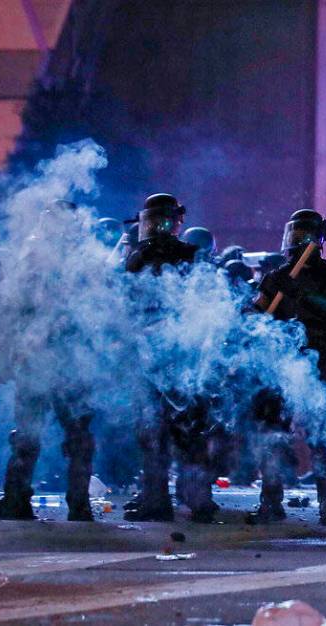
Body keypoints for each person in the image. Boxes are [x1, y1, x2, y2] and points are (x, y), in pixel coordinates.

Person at [0, 200, 101, 522]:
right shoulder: (69, 260)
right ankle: (74, 505)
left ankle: (21, 501)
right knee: (51, 437)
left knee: (34, 435)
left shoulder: (37, 259)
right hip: (53, 360)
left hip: (52, 360)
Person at [250, 209, 326, 526]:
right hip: (282, 363)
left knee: (322, 436)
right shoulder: (278, 276)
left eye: (304, 237)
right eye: (294, 237)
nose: (298, 244)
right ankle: (270, 502)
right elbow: (261, 314)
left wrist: (305, 297)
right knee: (273, 434)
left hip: (320, 364)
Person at [123, 193, 200, 522]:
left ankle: (168, 498)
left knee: (158, 427)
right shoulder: (180, 256)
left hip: (164, 353)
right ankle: (192, 498)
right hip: (170, 353)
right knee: (178, 427)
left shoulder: (143, 257)